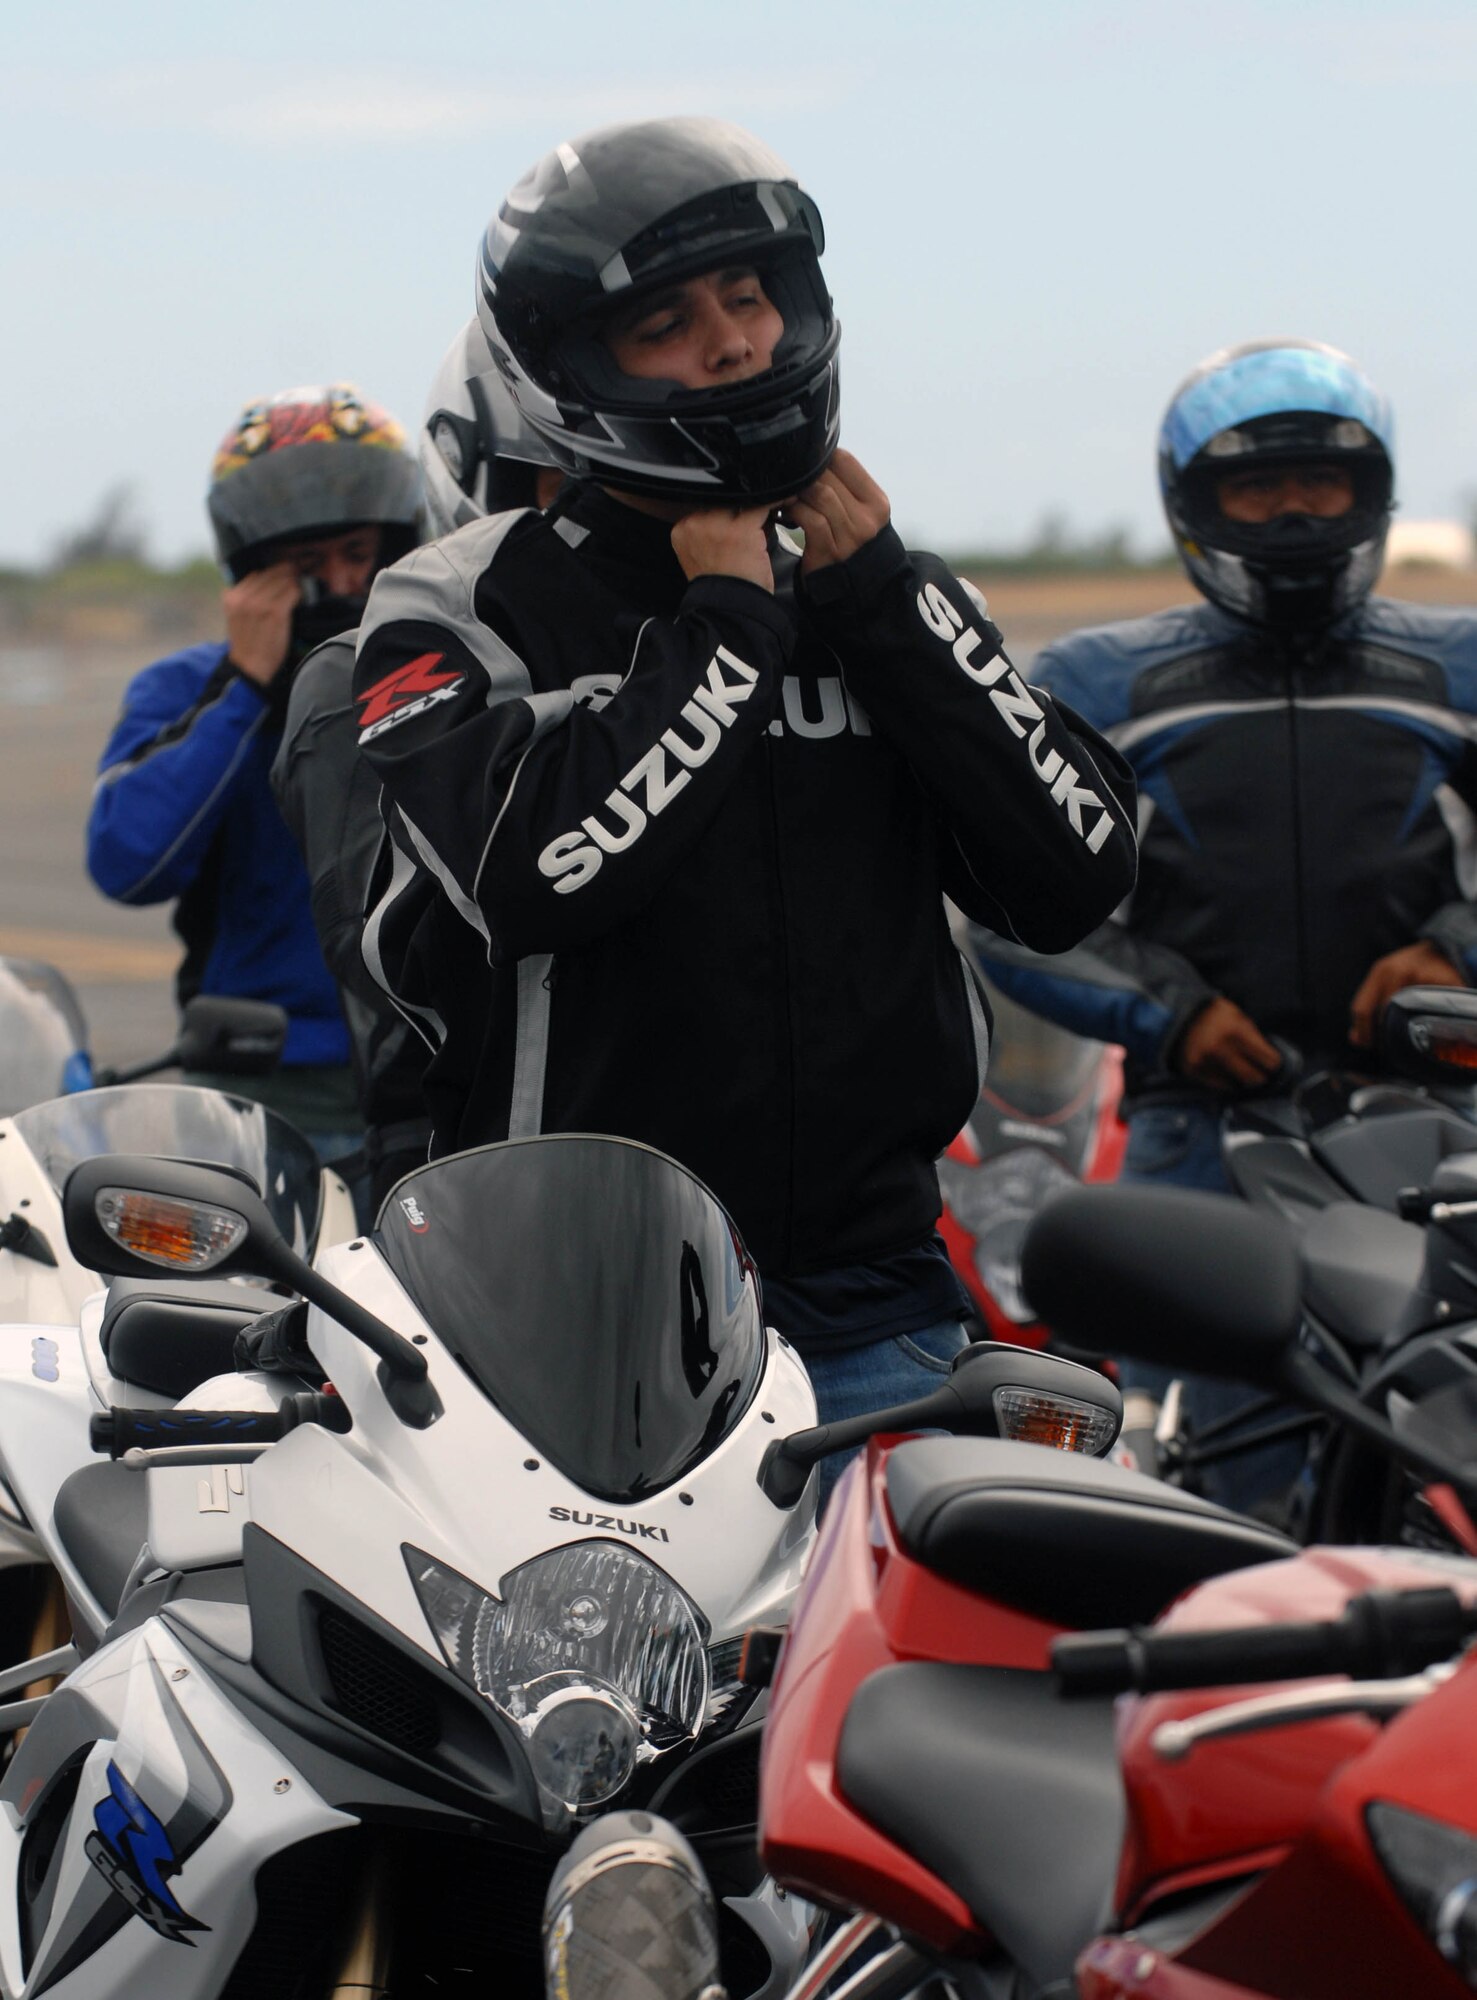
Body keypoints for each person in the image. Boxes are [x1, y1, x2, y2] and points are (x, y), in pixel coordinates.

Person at [350, 117, 1137, 1474]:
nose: (732, 346)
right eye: (665, 324)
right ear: (570, 366)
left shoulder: (880, 590)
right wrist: (724, 628)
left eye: (749, 297)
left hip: (880, 1308)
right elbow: (540, 877)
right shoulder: (463, 603)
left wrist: (885, 605)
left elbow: (1080, 873)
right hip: (572, 1327)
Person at [973, 338, 1477, 1507]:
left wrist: (1450, 949)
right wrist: (1170, 1013)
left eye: (1321, 482)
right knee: (1205, 1491)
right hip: (1198, 1132)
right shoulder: (1099, 682)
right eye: (1258, 487)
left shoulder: (1454, 664)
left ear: (1371, 494)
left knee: (1446, 1461)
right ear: (1193, 504)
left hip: (1435, 1126)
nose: (1293, 512)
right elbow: (1005, 903)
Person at [86, 384, 423, 1178]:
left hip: (430, 1072)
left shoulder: (442, 671)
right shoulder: (188, 689)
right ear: (256, 571)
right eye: (306, 565)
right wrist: (245, 688)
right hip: (265, 1091)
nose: (339, 582)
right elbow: (126, 862)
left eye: (357, 553)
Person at [272, 326, 563, 1210]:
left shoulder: (712, 641)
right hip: (448, 1150)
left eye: (355, 555)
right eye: (558, 485)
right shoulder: (352, 673)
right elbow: (377, 946)